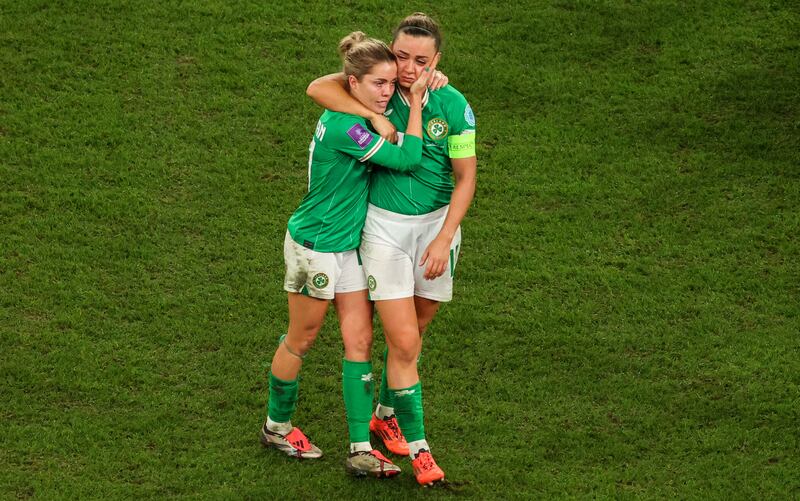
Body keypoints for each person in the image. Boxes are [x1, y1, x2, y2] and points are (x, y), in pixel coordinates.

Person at [306, 13, 477, 486]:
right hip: (383, 230)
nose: (407, 67)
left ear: (437, 60)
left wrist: (444, 237)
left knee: (415, 333)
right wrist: (373, 114)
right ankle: (422, 453)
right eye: (402, 56)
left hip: (436, 233)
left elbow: (467, 179)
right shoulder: (375, 89)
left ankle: (385, 414)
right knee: (403, 342)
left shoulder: (453, 103)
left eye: (421, 60)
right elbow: (319, 87)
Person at [260, 31, 437, 478]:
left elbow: (326, 87)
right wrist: (412, 108)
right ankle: (276, 426)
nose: (388, 93)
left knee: (359, 341)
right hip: (315, 247)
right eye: (379, 84)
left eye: (393, 85)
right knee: (301, 338)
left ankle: (361, 447)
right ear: (352, 82)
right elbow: (408, 159)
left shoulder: (343, 106)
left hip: (346, 248)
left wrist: (381, 106)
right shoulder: (348, 128)